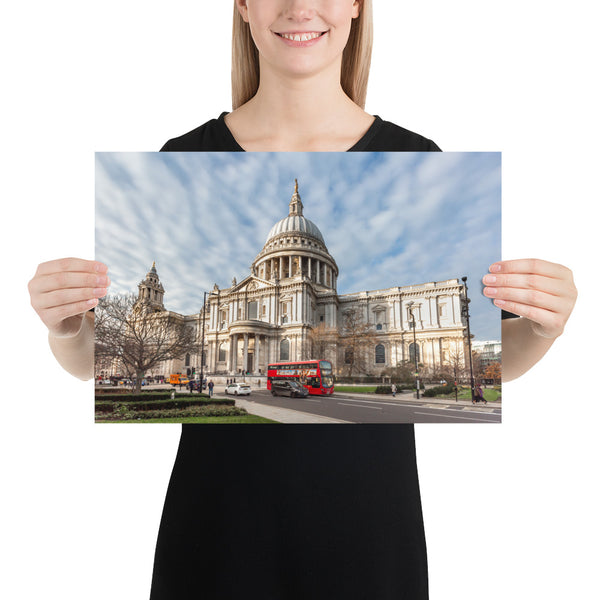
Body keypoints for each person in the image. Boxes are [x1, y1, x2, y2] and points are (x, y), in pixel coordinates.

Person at [26, 1, 577, 598]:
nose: (299, 4)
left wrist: (545, 327)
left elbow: (504, 367)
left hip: (367, 522)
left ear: (358, 6)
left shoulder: (417, 150)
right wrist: (64, 327)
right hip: (219, 522)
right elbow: (88, 365)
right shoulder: (184, 150)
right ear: (241, 6)